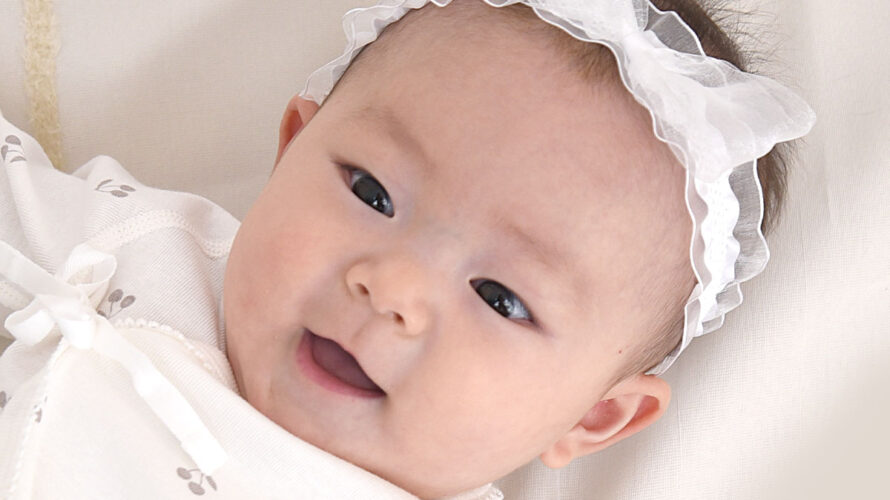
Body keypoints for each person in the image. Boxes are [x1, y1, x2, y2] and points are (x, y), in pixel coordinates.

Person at [0, 0, 815, 498]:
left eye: (500, 297)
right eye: (372, 193)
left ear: (595, 416)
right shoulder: (145, 250)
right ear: (295, 145)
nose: (392, 288)